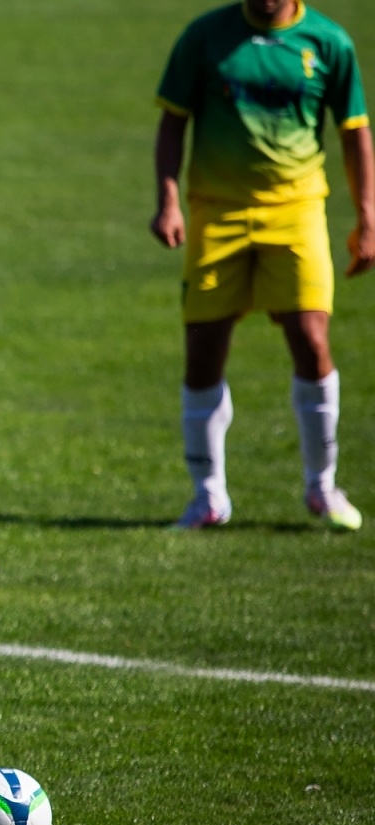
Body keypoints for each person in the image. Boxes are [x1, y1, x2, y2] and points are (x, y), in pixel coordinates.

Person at [152, 0, 372, 531]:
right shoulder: (206, 36)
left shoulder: (329, 43)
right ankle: (209, 497)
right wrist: (168, 200)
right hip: (217, 211)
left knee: (310, 338)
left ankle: (322, 486)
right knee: (203, 347)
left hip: (296, 210)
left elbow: (353, 131)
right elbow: (173, 121)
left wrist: (368, 216)